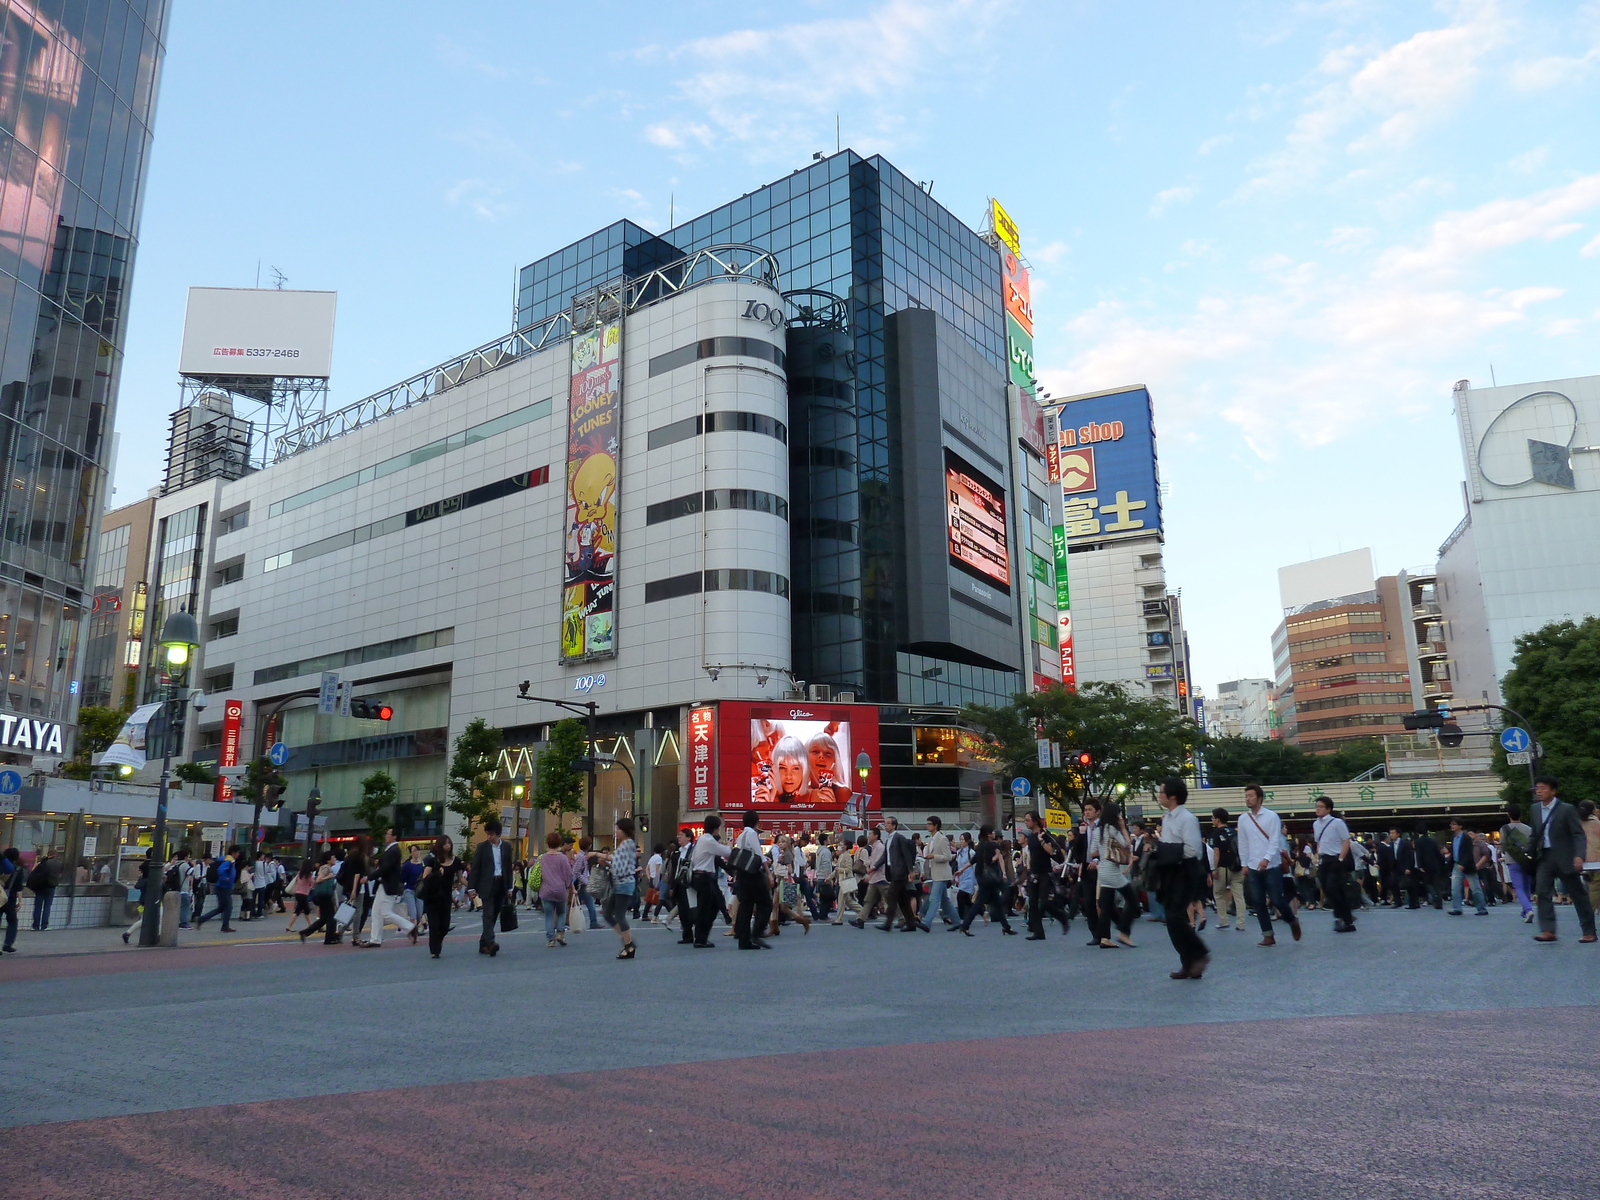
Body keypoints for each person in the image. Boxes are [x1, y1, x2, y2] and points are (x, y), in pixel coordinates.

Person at [1528, 776, 1597, 944]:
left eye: (1543, 788)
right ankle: (1548, 930)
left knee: (1578, 894)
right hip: (1545, 857)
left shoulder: (1566, 809)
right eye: (1537, 788)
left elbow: (1578, 835)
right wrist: (1527, 853)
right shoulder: (1535, 809)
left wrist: (1579, 855)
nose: (1539, 791)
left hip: (1565, 857)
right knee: (1542, 892)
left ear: (1553, 791)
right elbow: (1535, 833)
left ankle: (1589, 931)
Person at [1156, 777, 1209, 979]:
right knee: (1171, 918)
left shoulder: (1187, 818)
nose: (1159, 795)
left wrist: (1169, 851)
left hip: (1185, 870)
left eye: (1162, 791)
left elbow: (1193, 850)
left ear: (1173, 796)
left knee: (1175, 916)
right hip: (1170, 870)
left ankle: (1199, 953)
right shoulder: (1167, 817)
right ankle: (1188, 962)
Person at [1236, 784, 1300, 947]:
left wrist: (1266, 859)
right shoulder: (1243, 819)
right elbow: (1242, 842)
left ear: (1259, 798)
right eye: (1246, 796)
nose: (1247, 799)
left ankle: (1292, 920)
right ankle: (1268, 935)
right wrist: (1244, 863)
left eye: (1250, 796)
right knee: (1257, 901)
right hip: (1252, 865)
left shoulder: (1272, 816)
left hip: (1272, 865)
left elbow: (1274, 840)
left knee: (1277, 899)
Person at [1089, 800, 1138, 949]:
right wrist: (1123, 828)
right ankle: (1123, 931)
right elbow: (1128, 845)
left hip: (1102, 870)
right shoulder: (1112, 829)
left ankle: (1104, 937)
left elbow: (1092, 852)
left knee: (1106, 904)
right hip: (1113, 870)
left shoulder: (1098, 830)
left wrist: (1105, 850)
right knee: (1132, 900)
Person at [954, 825, 1016, 936]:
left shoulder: (980, 846)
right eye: (992, 832)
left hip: (981, 877)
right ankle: (965, 925)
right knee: (979, 903)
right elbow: (991, 861)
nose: (994, 834)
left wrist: (961, 870)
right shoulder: (993, 845)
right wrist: (997, 858)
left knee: (996, 902)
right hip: (990, 878)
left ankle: (1006, 927)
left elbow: (973, 860)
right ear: (988, 834)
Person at [467, 818, 513, 956]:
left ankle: (483, 944)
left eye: (491, 834)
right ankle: (491, 943)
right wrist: (471, 887)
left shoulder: (506, 846)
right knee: (487, 914)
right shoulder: (482, 847)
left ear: (498, 834)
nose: (489, 837)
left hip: (501, 884)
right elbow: (475, 868)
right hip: (487, 884)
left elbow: (508, 868)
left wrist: (510, 888)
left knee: (494, 915)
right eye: (487, 834)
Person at [366, 828, 419, 947]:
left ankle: (410, 927)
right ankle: (375, 939)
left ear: (394, 836)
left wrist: (369, 877)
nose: (386, 836)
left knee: (385, 912)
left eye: (388, 834)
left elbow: (385, 868)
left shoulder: (394, 850)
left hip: (388, 885)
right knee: (376, 912)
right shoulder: (391, 849)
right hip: (383, 884)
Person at [415, 836, 465, 958]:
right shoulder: (433, 860)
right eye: (445, 843)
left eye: (449, 843)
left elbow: (461, 878)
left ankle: (438, 941)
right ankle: (435, 950)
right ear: (440, 845)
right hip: (432, 897)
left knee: (445, 925)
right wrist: (437, 874)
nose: (447, 845)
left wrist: (472, 887)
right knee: (434, 925)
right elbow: (425, 877)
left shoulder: (456, 860)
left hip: (446, 897)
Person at [1311, 797, 1356, 933]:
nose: (1317, 809)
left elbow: (1346, 841)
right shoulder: (1315, 824)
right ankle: (1346, 919)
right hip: (1324, 860)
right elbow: (1319, 842)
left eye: (1321, 806)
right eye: (1316, 806)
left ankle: (1341, 917)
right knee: (1329, 889)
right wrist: (1318, 857)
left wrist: (1341, 859)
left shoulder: (1337, 823)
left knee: (1332, 888)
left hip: (1336, 859)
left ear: (1329, 809)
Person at [1018, 811, 1064, 940]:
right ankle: (1038, 932)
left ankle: (1061, 916)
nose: (1026, 822)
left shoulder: (1044, 835)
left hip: (1045, 873)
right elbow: (1032, 856)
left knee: (1043, 903)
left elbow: (1055, 854)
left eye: (1028, 820)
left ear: (1035, 821)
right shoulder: (1030, 837)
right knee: (1032, 903)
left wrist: (1042, 842)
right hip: (1034, 873)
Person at [598, 817, 639, 960]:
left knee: (618, 915)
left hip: (624, 883)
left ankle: (629, 945)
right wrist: (608, 863)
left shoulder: (627, 844)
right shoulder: (626, 844)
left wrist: (596, 854)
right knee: (608, 914)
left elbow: (617, 863)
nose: (616, 831)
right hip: (621, 883)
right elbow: (617, 864)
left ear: (625, 830)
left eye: (618, 829)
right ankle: (628, 941)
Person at [690, 813, 732, 948]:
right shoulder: (708, 840)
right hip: (704, 877)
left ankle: (702, 936)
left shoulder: (702, 839)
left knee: (713, 906)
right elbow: (726, 852)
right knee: (705, 908)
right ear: (716, 828)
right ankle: (700, 939)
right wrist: (730, 844)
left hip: (701, 876)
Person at [732, 810, 772, 950]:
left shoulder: (741, 835)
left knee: (745, 907)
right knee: (766, 903)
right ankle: (757, 932)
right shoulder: (751, 834)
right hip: (753, 874)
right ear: (756, 821)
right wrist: (769, 873)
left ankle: (744, 940)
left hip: (743, 873)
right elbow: (759, 855)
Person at [917, 816, 959, 931]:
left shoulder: (942, 839)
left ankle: (926, 922)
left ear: (935, 825)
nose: (927, 826)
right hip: (935, 873)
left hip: (942, 874)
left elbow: (947, 857)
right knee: (945, 900)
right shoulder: (931, 839)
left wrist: (934, 856)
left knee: (934, 898)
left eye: (929, 824)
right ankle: (957, 922)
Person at [879, 816, 918, 932]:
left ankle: (888, 922)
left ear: (894, 825)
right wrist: (874, 866)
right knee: (902, 899)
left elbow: (906, 855)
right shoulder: (888, 839)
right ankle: (911, 923)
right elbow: (885, 857)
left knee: (891, 895)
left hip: (900, 872)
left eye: (887, 823)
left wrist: (911, 871)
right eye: (885, 823)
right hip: (892, 871)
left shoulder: (899, 838)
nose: (885, 825)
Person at [298, 851, 344, 945]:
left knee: (324, 918)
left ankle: (306, 932)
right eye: (333, 857)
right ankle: (329, 938)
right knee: (331, 917)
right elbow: (318, 880)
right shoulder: (326, 868)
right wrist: (329, 876)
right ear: (328, 860)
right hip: (325, 896)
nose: (334, 859)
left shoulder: (325, 867)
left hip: (322, 896)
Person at [538, 831, 574, 947]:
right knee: (561, 912)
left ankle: (550, 939)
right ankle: (560, 933)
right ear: (559, 843)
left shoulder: (543, 858)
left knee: (548, 915)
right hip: (560, 889)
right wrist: (569, 885)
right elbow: (569, 874)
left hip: (546, 890)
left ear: (548, 843)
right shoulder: (563, 858)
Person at [1447, 818, 1489, 917]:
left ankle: (1482, 908)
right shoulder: (1454, 838)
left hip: (1467, 866)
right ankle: (1457, 908)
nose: (1452, 826)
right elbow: (1454, 853)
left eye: (1454, 824)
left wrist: (1463, 863)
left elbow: (1468, 853)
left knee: (1475, 888)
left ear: (1460, 826)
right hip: (1457, 865)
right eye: (1451, 824)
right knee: (1455, 888)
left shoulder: (1466, 838)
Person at [1500, 805, 1535, 922]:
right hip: (1526, 860)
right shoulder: (1528, 829)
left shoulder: (1505, 828)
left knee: (1518, 887)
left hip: (1512, 860)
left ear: (1508, 815)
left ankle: (1528, 909)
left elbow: (1503, 845)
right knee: (1526, 886)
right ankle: (1526, 911)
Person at [195, 846, 239, 932]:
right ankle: (225, 926)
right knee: (228, 907)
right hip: (223, 886)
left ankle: (201, 919)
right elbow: (221, 870)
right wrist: (225, 878)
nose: (238, 854)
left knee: (222, 908)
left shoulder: (225, 859)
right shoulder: (229, 860)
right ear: (234, 852)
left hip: (222, 886)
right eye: (238, 852)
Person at [851, 828, 887, 927]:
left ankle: (903, 918)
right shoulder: (874, 847)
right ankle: (860, 920)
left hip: (880, 878)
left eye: (870, 834)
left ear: (876, 836)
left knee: (889, 899)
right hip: (875, 879)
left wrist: (869, 875)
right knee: (868, 900)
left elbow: (878, 863)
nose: (869, 836)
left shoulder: (879, 847)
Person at [27, 852, 58, 930]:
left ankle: (35, 925)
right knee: (47, 907)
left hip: (39, 888)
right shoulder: (55, 865)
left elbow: (32, 875)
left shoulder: (39, 866)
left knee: (37, 907)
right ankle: (44, 925)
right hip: (50, 887)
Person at [0, 847, 22, 952]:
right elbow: (19, 887)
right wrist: (20, 901)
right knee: (12, 922)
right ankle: (7, 944)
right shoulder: (17, 869)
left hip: (0, 897)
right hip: (10, 899)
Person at [285, 859, 315, 933]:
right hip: (304, 894)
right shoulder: (309, 875)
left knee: (301, 910)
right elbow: (312, 883)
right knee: (303, 911)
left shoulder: (300, 874)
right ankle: (310, 926)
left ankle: (310, 925)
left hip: (298, 893)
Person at [1581, 800, 1600, 914]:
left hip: (1583, 859)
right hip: (1597, 859)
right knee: (1596, 888)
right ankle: (1590, 910)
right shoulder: (1596, 823)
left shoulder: (1577, 822)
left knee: (1590, 885)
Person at [812, 832, 835, 922]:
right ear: (825, 841)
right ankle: (823, 915)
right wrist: (828, 878)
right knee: (829, 896)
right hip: (824, 876)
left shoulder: (819, 851)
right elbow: (826, 865)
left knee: (824, 897)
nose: (829, 840)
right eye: (828, 839)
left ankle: (822, 914)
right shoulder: (826, 851)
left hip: (820, 876)